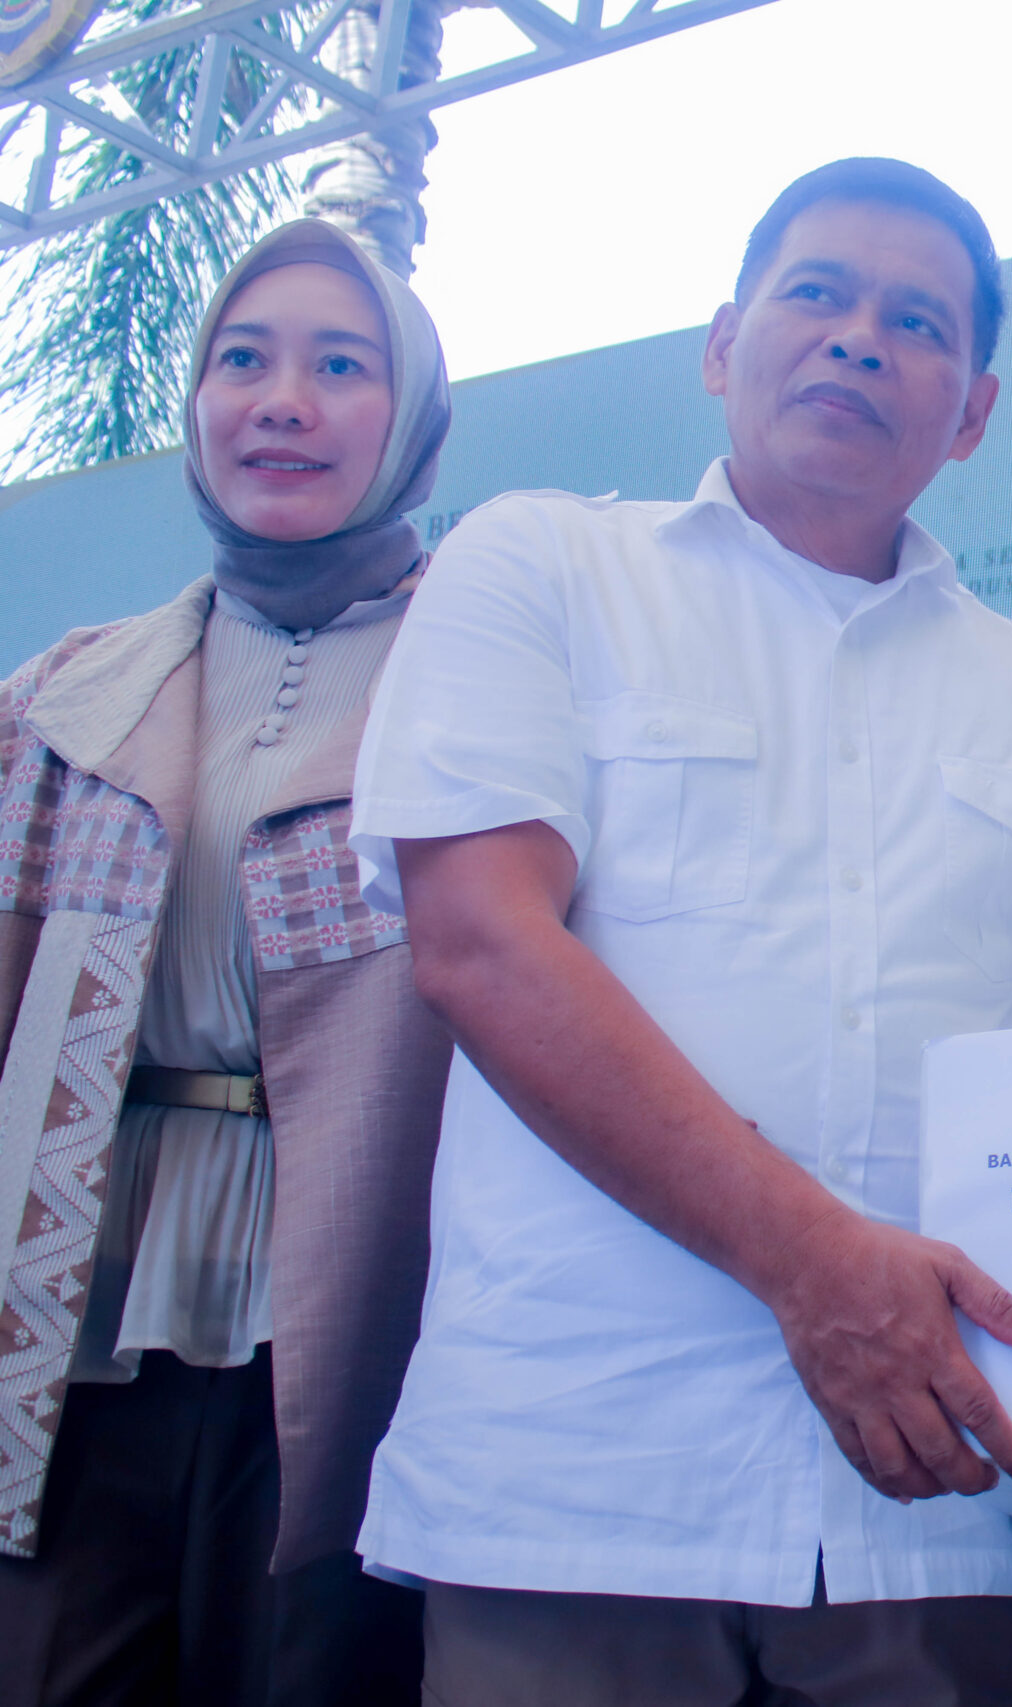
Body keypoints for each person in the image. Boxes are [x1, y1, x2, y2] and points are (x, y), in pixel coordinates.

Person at [346, 158, 1012, 1706]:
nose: (861, 336)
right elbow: (480, 946)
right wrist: (815, 1264)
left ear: (975, 411)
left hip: (936, 1508)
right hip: (582, 1484)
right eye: (818, 293)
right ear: (723, 344)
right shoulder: (541, 566)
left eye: (917, 322)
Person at [0, 218, 454, 1704]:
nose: (283, 402)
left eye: (343, 366)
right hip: (81, 1304)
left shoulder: (498, 673)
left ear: (415, 416)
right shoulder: (68, 690)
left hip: (367, 1296)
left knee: (315, 1674)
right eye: (242, 361)